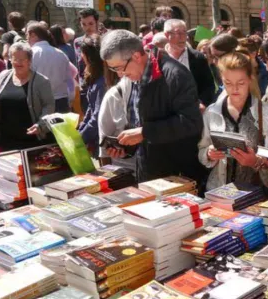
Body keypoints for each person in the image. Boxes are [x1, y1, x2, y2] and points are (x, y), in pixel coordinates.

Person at [100, 30, 205, 183]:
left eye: (119, 67)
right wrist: (127, 147)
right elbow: (144, 121)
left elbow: (191, 122)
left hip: (176, 174)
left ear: (136, 56)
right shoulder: (135, 76)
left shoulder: (175, 75)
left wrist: (144, 133)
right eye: (113, 69)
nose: (120, 74)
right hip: (149, 170)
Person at [198, 52, 268, 191]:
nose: (235, 88)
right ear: (222, 80)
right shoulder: (212, 112)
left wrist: (256, 162)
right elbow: (202, 149)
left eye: (240, 83)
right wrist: (209, 154)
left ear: (250, 79)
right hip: (221, 191)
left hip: (257, 195)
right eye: (228, 83)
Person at [0, 42, 55, 151]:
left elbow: (49, 105)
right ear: (10, 60)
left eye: (22, 59)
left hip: (31, 139)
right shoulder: (3, 76)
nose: (18, 62)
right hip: (6, 139)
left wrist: (40, 125)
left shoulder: (41, 81)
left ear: (30, 61)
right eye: (15, 58)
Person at [164, 19, 215, 108]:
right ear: (167, 35)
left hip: (193, 112)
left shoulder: (198, 58)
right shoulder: (158, 58)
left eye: (184, 32)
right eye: (179, 33)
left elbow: (208, 86)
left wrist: (202, 104)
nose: (183, 37)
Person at [26, 22, 74, 113]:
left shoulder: (31, 54)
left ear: (33, 35)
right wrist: (70, 99)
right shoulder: (60, 53)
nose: (27, 40)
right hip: (62, 102)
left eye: (27, 36)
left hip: (40, 103)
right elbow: (69, 80)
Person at [78, 36, 107, 153]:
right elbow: (91, 108)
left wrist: (80, 138)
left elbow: (97, 116)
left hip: (104, 139)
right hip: (96, 136)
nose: (81, 56)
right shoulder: (95, 77)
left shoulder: (102, 82)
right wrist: (81, 130)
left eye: (82, 53)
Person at [74, 8, 100, 81]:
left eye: (91, 24)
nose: (87, 27)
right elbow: (78, 66)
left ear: (97, 22)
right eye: (84, 24)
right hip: (84, 85)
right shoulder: (77, 42)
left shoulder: (104, 40)